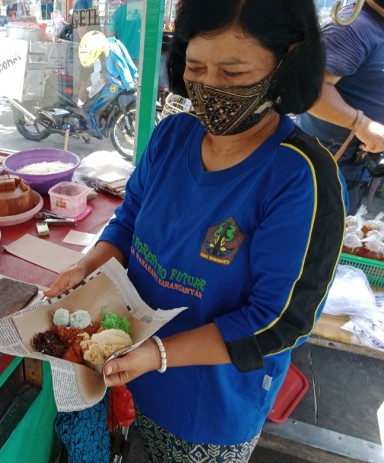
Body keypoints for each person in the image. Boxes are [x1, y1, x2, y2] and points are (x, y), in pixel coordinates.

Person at [44, 0, 346, 462]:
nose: (209, 88)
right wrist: (87, 265)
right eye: (196, 68)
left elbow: (279, 320)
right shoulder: (172, 136)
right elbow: (128, 223)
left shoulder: (300, 177)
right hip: (127, 365)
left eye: (233, 73)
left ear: (287, 60)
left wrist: (157, 355)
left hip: (206, 410)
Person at [296, 0, 384, 216]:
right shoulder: (354, 27)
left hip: (356, 170)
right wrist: (361, 123)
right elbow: (309, 89)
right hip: (323, 170)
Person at [106, 0, 143, 67]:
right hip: (143, 57)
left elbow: (110, 35)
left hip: (123, 57)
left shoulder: (119, 11)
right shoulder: (147, 12)